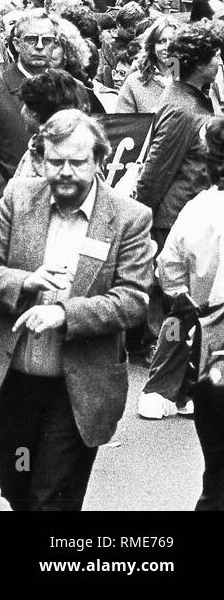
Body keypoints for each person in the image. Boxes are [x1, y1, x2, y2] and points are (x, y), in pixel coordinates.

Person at [0, 110, 153, 511]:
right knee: (17, 485)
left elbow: (133, 299)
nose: (65, 172)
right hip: (15, 384)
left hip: (77, 390)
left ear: (100, 161)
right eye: (55, 161)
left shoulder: (129, 218)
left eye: (77, 163)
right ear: (40, 158)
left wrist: (66, 313)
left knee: (53, 498)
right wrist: (24, 282)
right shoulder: (18, 198)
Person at [153, 116, 224, 507]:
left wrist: (195, 300)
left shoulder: (197, 209)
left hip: (212, 348)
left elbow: (168, 272)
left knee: (217, 471)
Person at [0, 8, 62, 208]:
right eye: (32, 39)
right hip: (17, 211)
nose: (40, 46)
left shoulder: (70, 89)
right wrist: (6, 200)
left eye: (47, 40)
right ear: (16, 44)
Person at [132, 25, 219, 249]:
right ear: (200, 64)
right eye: (216, 56)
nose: (220, 62)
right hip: (173, 224)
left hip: (188, 217)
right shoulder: (182, 110)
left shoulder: (182, 90)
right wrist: (135, 224)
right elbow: (155, 172)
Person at [115, 17, 178, 113]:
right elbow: (123, 124)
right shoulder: (134, 83)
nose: (168, 47)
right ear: (152, 46)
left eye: (173, 42)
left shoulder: (189, 80)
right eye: (162, 41)